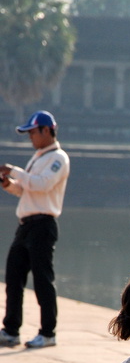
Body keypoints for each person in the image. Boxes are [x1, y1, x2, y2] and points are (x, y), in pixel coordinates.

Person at [0, 110, 70, 349]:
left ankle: (48, 332)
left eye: (32, 132)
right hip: (26, 225)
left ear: (46, 130)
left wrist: (15, 171)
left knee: (42, 280)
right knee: (13, 277)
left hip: (43, 224)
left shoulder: (58, 158)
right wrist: (10, 184)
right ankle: (11, 330)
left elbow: (41, 184)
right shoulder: (39, 157)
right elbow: (25, 189)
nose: (30, 137)